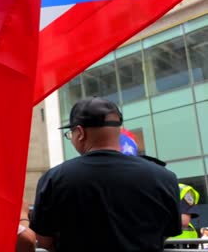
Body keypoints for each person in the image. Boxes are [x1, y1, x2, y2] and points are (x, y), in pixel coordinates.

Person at [30, 97, 181, 252]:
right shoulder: (164, 177)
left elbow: (44, 240)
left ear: (80, 132)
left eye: (71, 133)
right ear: (119, 130)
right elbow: (169, 231)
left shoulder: (54, 179)